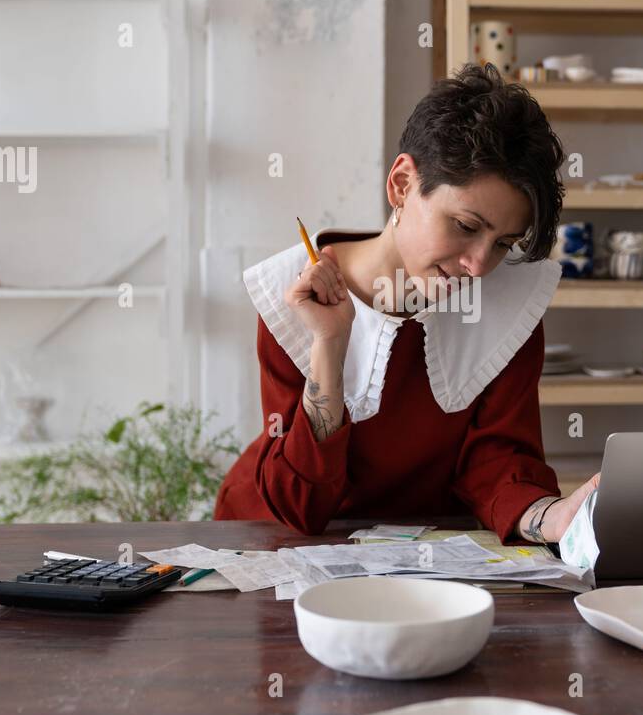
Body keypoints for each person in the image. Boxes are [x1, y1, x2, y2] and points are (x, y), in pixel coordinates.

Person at [214, 62, 600, 542]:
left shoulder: (508, 302)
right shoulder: (292, 292)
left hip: (426, 547)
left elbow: (498, 459)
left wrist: (550, 518)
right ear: (401, 184)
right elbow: (299, 505)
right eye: (464, 226)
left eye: (504, 243)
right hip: (273, 538)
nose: (479, 265)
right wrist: (329, 344)